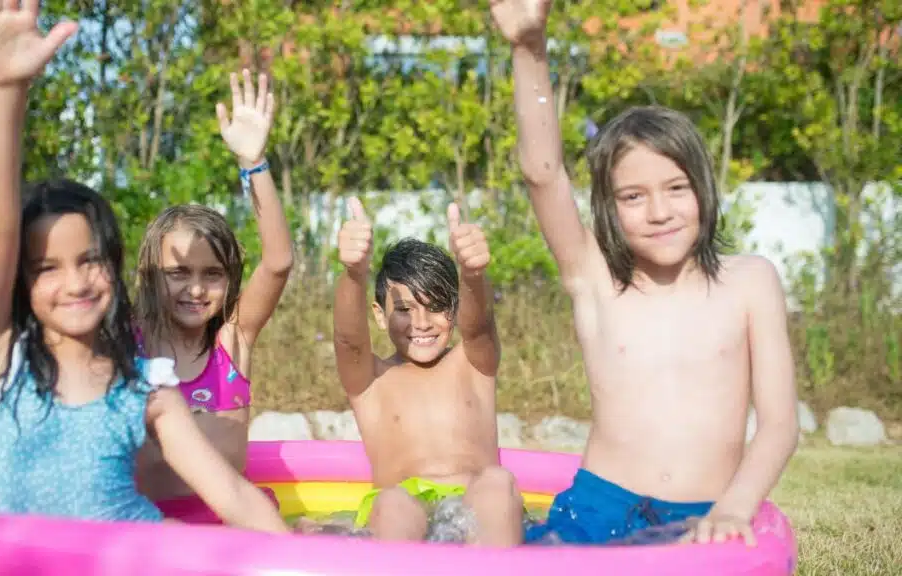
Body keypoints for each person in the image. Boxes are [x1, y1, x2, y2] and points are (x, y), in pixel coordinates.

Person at [0, 0, 287, 533]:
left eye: (90, 260)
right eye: (46, 268)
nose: (76, 282)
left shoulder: (146, 390)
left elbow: (234, 497)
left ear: (114, 264)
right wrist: (6, 90)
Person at [489, 0, 800, 546]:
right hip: (595, 508)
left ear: (703, 188)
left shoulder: (750, 282)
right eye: (634, 196)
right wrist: (529, 49)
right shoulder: (594, 279)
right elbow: (542, 174)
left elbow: (779, 426)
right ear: (610, 207)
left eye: (676, 189)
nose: (659, 212)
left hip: (703, 508)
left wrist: (732, 511)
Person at [133, 69, 293, 508]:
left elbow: (279, 262)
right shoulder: (129, 343)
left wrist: (253, 163)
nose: (197, 289)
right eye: (179, 272)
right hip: (152, 530)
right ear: (150, 272)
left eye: (213, 274)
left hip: (230, 528)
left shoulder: (232, 341)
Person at [332, 197, 524, 547]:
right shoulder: (371, 380)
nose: (421, 323)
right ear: (379, 315)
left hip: (474, 500)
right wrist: (354, 273)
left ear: (456, 309)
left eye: (436, 308)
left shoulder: (472, 364)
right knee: (391, 502)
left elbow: (479, 326)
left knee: (498, 483)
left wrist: (472, 275)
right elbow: (348, 341)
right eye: (404, 309)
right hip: (404, 506)